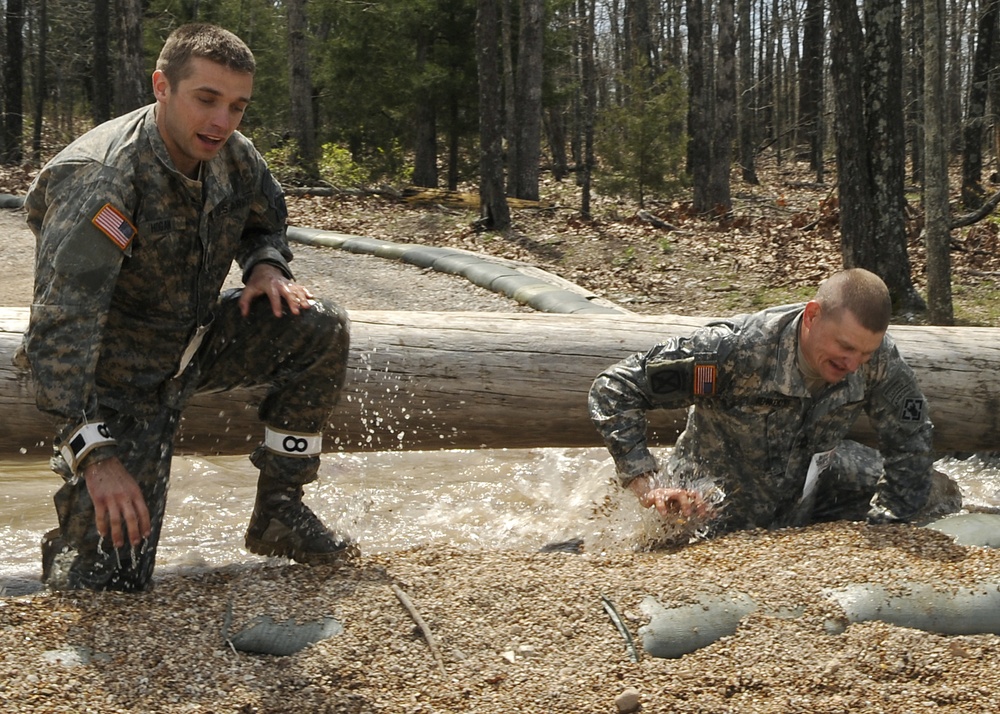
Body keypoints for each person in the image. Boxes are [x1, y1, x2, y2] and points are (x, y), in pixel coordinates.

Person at [18, 23, 355, 592]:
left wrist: (266, 266)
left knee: (318, 325)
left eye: (237, 106)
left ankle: (280, 509)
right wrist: (94, 455)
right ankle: (73, 557)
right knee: (108, 584)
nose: (222, 121)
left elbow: (266, 218)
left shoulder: (233, 155)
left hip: (194, 345)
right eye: (206, 99)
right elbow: (59, 328)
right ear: (162, 87)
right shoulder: (102, 179)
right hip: (116, 383)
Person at [589, 268, 959, 536]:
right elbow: (614, 387)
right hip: (705, 509)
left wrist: (891, 528)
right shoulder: (734, 350)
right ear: (812, 315)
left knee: (935, 490)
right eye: (845, 347)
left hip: (806, 501)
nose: (852, 365)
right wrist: (649, 483)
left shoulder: (877, 358)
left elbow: (910, 437)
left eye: (864, 354)